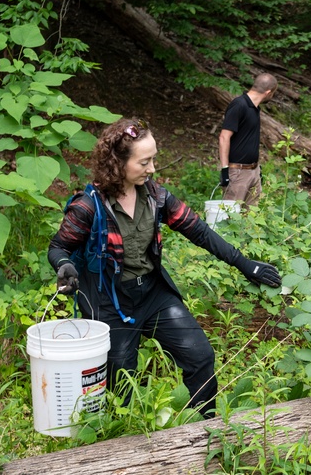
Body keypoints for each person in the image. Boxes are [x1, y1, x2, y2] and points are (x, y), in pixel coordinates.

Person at [48, 118, 282, 418]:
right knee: (122, 380)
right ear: (117, 163)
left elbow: (199, 232)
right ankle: (123, 443)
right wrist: (65, 265)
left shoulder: (157, 197)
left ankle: (206, 428)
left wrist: (246, 265)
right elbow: (58, 247)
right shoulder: (88, 207)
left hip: (153, 294)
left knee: (200, 356)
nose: (152, 168)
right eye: (144, 162)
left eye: (153, 159)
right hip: (109, 302)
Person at [218, 73, 278, 206]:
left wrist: (256, 168)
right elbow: (224, 137)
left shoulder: (255, 109)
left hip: (253, 171)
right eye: (273, 93)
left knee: (250, 217)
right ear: (268, 92)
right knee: (231, 215)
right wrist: (224, 169)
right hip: (237, 172)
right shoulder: (239, 105)